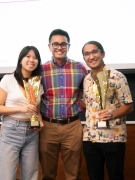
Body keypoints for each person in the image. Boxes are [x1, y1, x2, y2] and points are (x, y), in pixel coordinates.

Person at [39, 29, 88, 180]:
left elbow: (89, 92)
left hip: (72, 126)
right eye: (55, 44)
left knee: (73, 174)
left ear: (68, 46)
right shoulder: (41, 70)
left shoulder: (80, 67)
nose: (59, 47)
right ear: (49, 46)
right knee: (48, 174)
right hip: (47, 127)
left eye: (63, 44)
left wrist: (82, 104)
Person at [82, 41, 133, 180]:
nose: (91, 56)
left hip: (113, 138)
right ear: (84, 58)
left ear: (102, 53)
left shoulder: (117, 77)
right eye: (87, 54)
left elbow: (129, 106)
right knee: (94, 177)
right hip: (90, 138)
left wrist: (111, 114)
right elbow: (90, 105)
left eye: (94, 52)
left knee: (115, 176)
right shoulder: (86, 79)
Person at [0, 46, 44, 180]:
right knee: (7, 176)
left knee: (31, 176)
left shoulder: (37, 83)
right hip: (11, 130)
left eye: (35, 57)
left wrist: (40, 122)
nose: (32, 60)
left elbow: (37, 111)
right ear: (20, 60)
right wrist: (21, 109)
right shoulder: (8, 79)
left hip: (32, 132)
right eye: (28, 56)